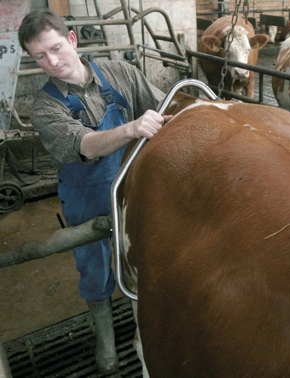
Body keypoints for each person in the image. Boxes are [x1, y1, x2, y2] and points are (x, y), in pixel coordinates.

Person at [18, 9, 172, 375]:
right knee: (95, 266)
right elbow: (85, 145)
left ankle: (144, 326)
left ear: (72, 40)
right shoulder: (44, 106)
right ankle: (105, 337)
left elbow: (166, 108)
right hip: (87, 197)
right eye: (40, 56)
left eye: (56, 48)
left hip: (137, 187)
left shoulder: (121, 72)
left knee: (146, 259)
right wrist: (132, 128)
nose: (52, 62)